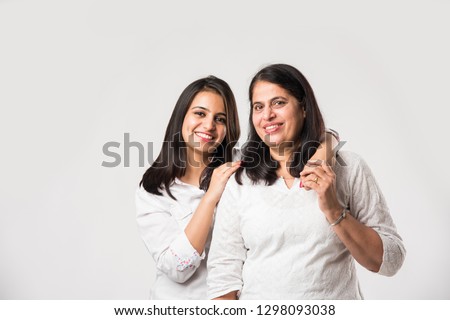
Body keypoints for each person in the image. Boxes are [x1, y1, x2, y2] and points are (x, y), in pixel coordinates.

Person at [206, 64, 406, 300]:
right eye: (258, 106)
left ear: (303, 108)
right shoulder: (240, 180)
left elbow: (390, 260)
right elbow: (223, 275)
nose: (267, 115)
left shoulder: (349, 168)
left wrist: (334, 210)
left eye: (279, 102)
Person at [135, 75, 338, 299]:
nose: (209, 125)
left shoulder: (244, 169)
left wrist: (321, 155)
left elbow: (327, 136)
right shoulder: (154, 189)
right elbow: (177, 269)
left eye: (220, 119)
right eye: (200, 113)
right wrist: (210, 197)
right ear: (181, 117)